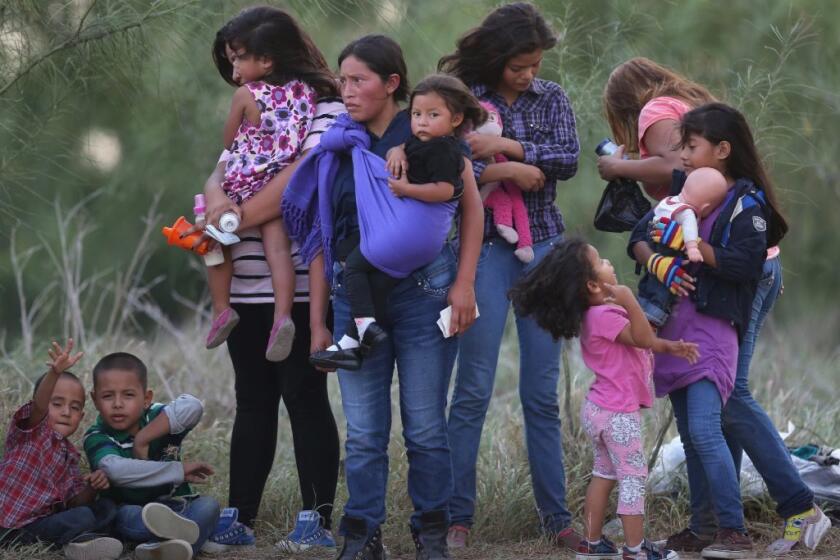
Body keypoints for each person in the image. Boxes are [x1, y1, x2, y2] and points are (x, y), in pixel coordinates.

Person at [607, 59, 829, 555]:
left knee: (727, 402)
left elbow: (740, 261)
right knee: (712, 415)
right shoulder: (693, 191)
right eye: (680, 147)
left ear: (721, 150)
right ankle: (713, 524)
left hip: (720, 307)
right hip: (698, 307)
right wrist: (658, 262)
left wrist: (695, 252)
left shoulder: (736, 200)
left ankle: (784, 510)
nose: (678, 156)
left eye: (689, 146)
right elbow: (644, 235)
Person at [282, 34, 483, 560]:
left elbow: (471, 208)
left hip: (425, 295)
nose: (347, 91)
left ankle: (431, 534)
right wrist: (320, 319)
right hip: (356, 301)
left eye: (358, 80)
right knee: (366, 434)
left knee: (424, 428)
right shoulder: (338, 145)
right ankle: (361, 534)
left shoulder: (424, 129)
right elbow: (327, 237)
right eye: (342, 81)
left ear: (391, 84)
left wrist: (464, 286)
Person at [438, 2, 581, 548]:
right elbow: (451, 166)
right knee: (472, 388)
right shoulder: (464, 100)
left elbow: (566, 159)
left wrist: (504, 146)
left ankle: (557, 518)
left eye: (535, 66)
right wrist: (510, 169)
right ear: (496, 57)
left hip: (546, 248)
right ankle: (458, 516)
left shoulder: (553, 98)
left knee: (541, 393)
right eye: (519, 66)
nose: (529, 75)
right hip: (483, 250)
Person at [510, 240, 696, 560]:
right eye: (601, 261)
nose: (609, 262)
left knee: (604, 475)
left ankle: (593, 545)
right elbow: (642, 338)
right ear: (594, 284)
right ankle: (636, 550)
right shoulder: (608, 313)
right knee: (634, 477)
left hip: (598, 409)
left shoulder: (592, 315)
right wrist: (629, 300)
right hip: (618, 414)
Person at [310, 73, 486, 371]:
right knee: (375, 284)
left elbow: (446, 190)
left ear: (456, 119)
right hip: (410, 245)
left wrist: (406, 189)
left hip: (407, 237)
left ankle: (365, 329)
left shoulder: (446, 149)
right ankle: (351, 345)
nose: (421, 122)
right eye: (416, 114)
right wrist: (398, 149)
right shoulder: (420, 142)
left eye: (432, 115)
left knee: (354, 267)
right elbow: (413, 151)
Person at [203, 6, 331, 362]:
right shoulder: (308, 93)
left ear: (267, 60)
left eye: (238, 60)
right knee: (278, 252)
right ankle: (283, 317)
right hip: (278, 184)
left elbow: (230, 143)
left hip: (243, 182)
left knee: (214, 242)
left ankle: (221, 309)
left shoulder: (246, 95)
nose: (235, 71)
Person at [83, 352, 220, 560]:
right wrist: (178, 471)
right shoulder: (97, 436)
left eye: (128, 395)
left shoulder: (156, 416)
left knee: (209, 505)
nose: (118, 404)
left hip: (174, 508)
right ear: (94, 399)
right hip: (133, 512)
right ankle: (179, 545)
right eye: (108, 396)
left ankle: (160, 548)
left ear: (146, 398)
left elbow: (193, 406)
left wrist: (143, 439)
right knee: (126, 516)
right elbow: (116, 471)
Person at [0, 339, 122, 560]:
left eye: (75, 408)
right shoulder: (31, 432)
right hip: (8, 527)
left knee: (106, 508)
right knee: (82, 518)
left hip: (38, 526)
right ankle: (80, 539)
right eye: (57, 404)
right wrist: (55, 372)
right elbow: (39, 406)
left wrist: (92, 486)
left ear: (81, 417)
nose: (66, 412)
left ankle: (79, 542)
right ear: (43, 404)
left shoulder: (70, 457)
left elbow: (73, 503)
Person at [599, 57, 715, 200]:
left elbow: (675, 165)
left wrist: (617, 167)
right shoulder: (686, 102)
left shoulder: (655, 109)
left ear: (625, 108)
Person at [639, 167, 729, 326]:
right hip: (669, 251)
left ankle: (642, 306)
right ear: (706, 207)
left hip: (653, 244)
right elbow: (689, 228)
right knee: (664, 289)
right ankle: (654, 316)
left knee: (652, 280)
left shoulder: (669, 201)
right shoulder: (687, 212)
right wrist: (692, 247)